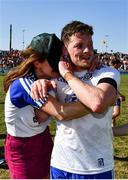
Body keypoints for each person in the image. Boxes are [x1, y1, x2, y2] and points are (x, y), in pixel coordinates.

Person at [31, 20, 120, 179]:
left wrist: (67, 74)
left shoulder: (106, 72)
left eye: (90, 45)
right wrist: (40, 84)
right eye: (79, 46)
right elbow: (42, 117)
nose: (87, 50)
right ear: (65, 50)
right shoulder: (55, 77)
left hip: (96, 167)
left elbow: (97, 102)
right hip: (61, 164)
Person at [3, 33, 90, 179]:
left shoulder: (49, 77)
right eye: (54, 60)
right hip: (22, 148)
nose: (60, 64)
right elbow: (61, 113)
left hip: (44, 138)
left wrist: (95, 61)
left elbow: (42, 117)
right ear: (37, 62)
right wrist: (96, 103)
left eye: (61, 59)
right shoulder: (22, 84)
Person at [109, 58, 125, 127]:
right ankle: (102, 121)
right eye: (119, 64)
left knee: (112, 112)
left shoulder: (110, 71)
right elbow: (112, 86)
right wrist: (120, 95)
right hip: (114, 95)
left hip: (111, 94)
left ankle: (112, 128)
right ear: (116, 64)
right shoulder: (114, 72)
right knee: (116, 113)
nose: (120, 65)